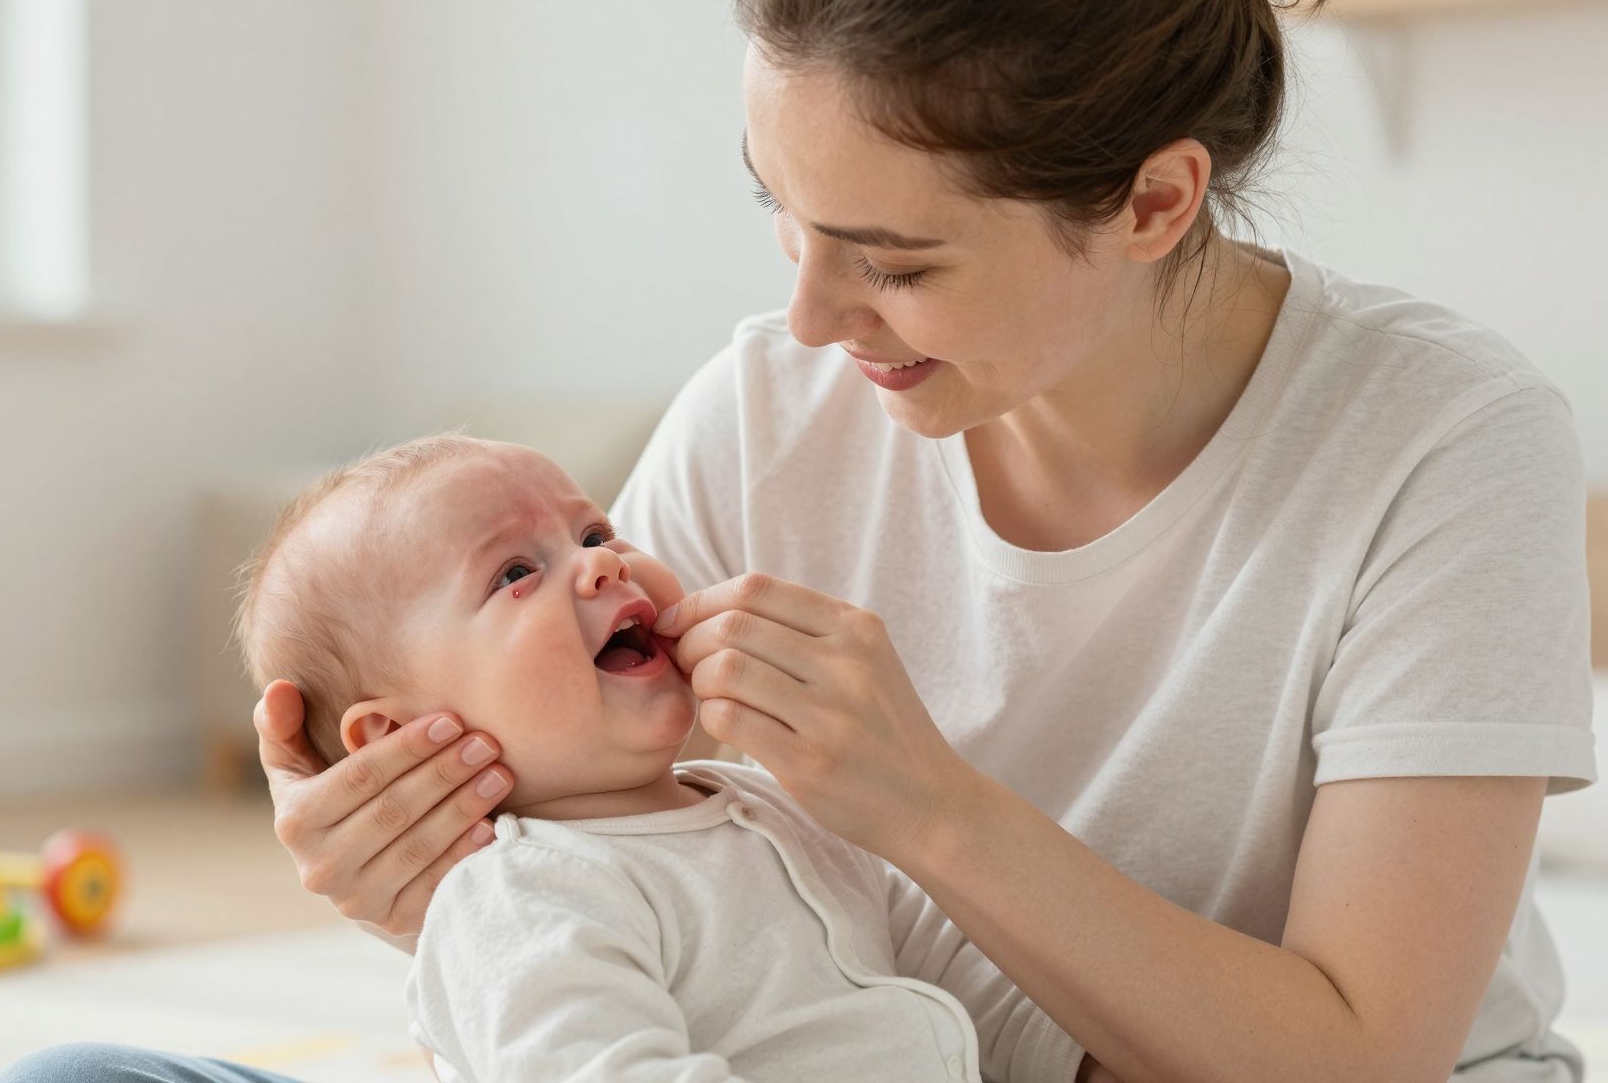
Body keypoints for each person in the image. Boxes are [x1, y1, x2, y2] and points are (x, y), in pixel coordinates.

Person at [8, 0, 1595, 1080]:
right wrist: (428, 871)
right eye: (785, 218)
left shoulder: (1436, 442)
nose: (817, 322)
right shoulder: (769, 411)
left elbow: (1363, 1055)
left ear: (1153, 203)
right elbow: (602, 863)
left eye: (895, 263)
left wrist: (930, 807)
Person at [224, 434, 1083, 1082]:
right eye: (515, 573)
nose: (601, 565)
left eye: (595, 531)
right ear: (401, 739)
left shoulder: (771, 802)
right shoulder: (518, 896)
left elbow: (951, 977)